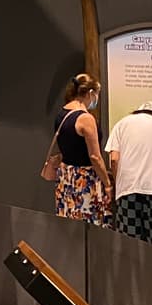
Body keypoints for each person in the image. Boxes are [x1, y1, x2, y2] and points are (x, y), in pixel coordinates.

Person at [48, 72, 112, 225]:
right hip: (84, 179)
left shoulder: (62, 114)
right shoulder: (85, 119)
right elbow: (95, 157)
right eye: (97, 94)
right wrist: (107, 184)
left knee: (68, 223)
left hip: (66, 176)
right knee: (88, 226)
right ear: (90, 93)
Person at [105, 99, 152, 243]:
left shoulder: (122, 124)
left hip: (128, 191)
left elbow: (114, 159)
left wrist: (118, 183)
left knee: (129, 242)